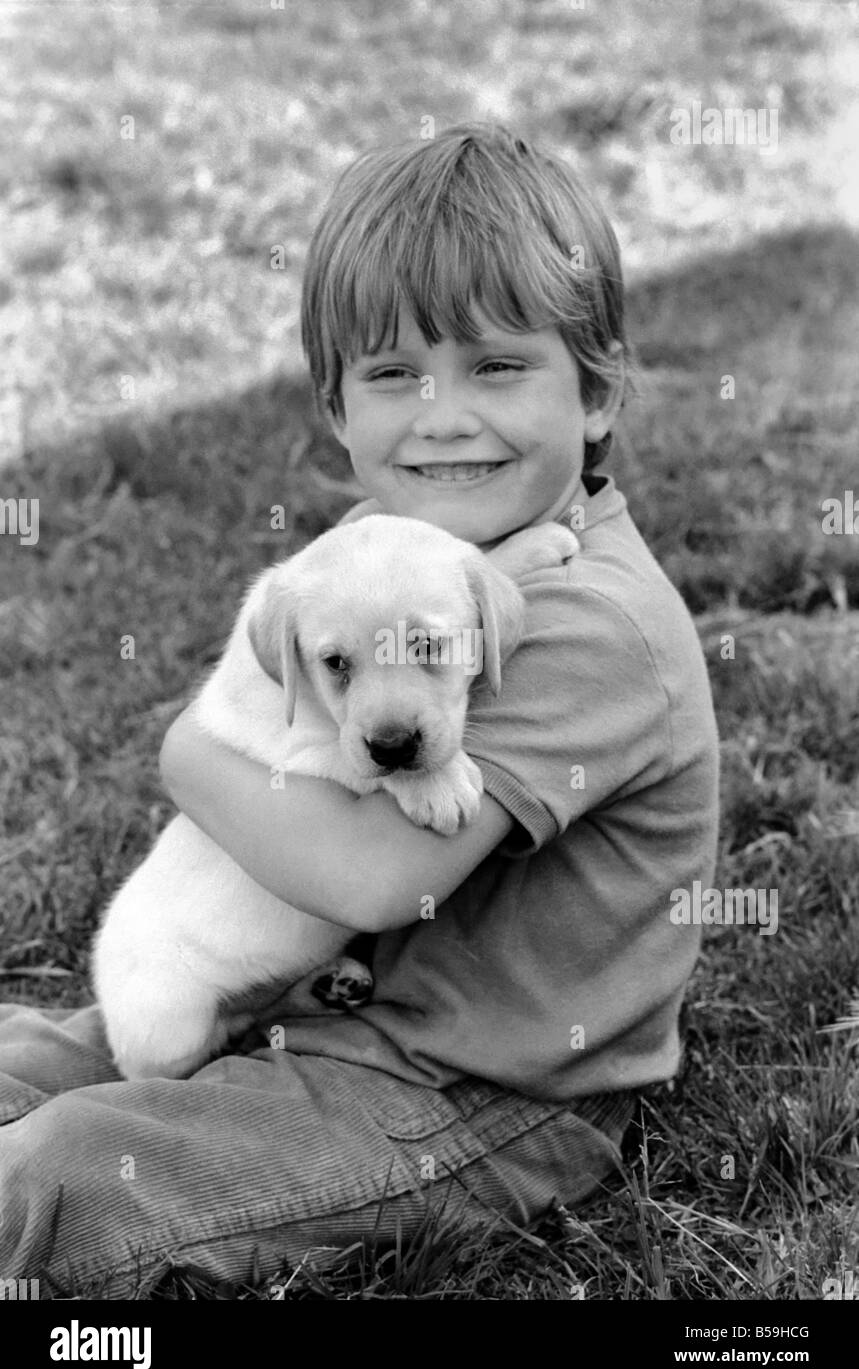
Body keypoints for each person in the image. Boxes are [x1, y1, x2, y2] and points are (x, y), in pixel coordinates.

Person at [0, 123, 719, 1298]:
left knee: (56, 1174)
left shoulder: (588, 624)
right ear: (335, 410)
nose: (442, 416)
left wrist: (186, 756)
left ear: (597, 393)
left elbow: (374, 881)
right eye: (394, 375)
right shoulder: (380, 558)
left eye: (495, 366)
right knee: (22, 1059)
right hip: (313, 1009)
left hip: (471, 1099)